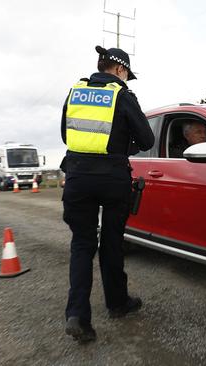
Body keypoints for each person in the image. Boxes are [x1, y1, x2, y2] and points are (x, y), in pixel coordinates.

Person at [60, 46, 155, 343]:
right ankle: (117, 304)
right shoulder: (122, 95)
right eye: (127, 74)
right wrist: (121, 147)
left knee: (82, 245)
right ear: (119, 69)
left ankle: (77, 315)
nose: (127, 79)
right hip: (112, 177)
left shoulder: (74, 92)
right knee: (112, 243)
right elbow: (147, 139)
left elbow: (66, 135)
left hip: (77, 176)